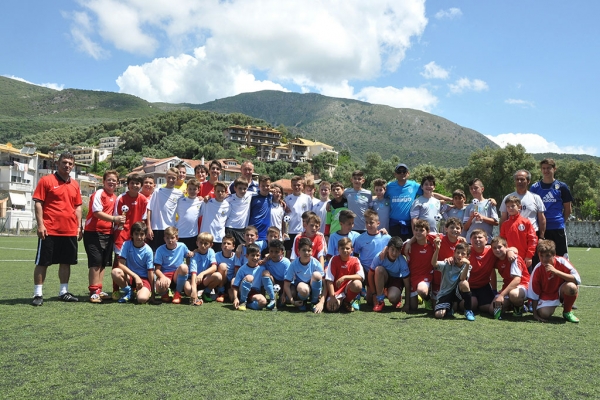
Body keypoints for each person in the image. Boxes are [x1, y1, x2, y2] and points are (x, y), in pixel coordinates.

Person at [31, 152, 83, 306]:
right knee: (43, 262)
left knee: (66, 262)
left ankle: (63, 292)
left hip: (69, 230)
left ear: (73, 166)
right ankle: (38, 294)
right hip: (50, 230)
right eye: (64, 162)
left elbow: (78, 206)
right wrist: (40, 225)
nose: (67, 165)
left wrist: (79, 226)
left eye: (70, 163)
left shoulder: (75, 184)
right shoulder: (46, 181)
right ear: (58, 164)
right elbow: (38, 203)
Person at [83, 170, 123, 303]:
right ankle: (93, 291)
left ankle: (99, 289)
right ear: (103, 182)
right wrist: (114, 219)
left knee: (102, 263)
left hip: (108, 233)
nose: (111, 182)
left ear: (117, 183)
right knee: (95, 262)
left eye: (114, 180)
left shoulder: (115, 197)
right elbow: (96, 212)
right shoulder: (99, 193)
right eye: (109, 180)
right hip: (93, 232)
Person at [112, 173, 148, 299]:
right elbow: (116, 217)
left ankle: (132, 288)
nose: (135, 185)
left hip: (136, 236)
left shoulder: (143, 199)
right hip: (122, 235)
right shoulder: (121, 198)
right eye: (132, 183)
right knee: (118, 262)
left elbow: (144, 219)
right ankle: (116, 289)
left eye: (137, 183)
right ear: (128, 185)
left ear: (141, 185)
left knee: (134, 262)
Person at [528, 240, 581, 323]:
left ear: (554, 254)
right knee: (544, 314)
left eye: (547, 256)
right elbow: (534, 294)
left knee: (572, 287)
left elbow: (577, 279)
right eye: (541, 256)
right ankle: (550, 306)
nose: (544, 259)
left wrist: (555, 271)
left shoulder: (562, 261)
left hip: (561, 291)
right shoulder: (537, 269)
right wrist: (535, 314)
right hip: (547, 295)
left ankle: (567, 311)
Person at [529, 158, 573, 258]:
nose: (546, 171)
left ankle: (562, 274)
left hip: (557, 227)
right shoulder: (535, 187)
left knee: (561, 257)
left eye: (548, 168)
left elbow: (568, 209)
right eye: (543, 168)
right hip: (540, 229)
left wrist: (560, 221)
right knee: (540, 257)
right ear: (541, 170)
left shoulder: (562, 187)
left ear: (554, 169)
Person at [499, 170, 546, 258]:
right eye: (517, 179)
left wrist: (541, 237)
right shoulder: (508, 197)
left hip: (531, 237)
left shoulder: (536, 198)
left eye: (522, 179)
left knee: (530, 263)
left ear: (528, 181)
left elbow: (542, 219)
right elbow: (503, 218)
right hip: (513, 236)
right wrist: (502, 239)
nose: (519, 182)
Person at [111, 221, 154, 304]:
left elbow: (150, 272)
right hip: (131, 277)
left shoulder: (148, 250)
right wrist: (135, 276)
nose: (139, 237)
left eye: (141, 234)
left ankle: (141, 292)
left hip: (144, 279)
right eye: (136, 234)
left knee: (141, 299)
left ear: (145, 236)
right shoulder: (126, 244)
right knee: (115, 272)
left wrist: (153, 292)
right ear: (132, 235)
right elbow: (120, 264)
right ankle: (129, 292)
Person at [431, 238, 474, 321]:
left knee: (464, 283)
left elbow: (462, 278)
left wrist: (467, 264)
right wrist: (437, 249)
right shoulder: (448, 263)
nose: (460, 255)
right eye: (457, 253)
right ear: (454, 253)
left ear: (468, 256)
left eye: (463, 253)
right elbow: (434, 263)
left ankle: (468, 310)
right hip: (445, 294)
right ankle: (450, 307)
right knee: (439, 315)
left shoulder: (467, 266)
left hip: (457, 293)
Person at [353, 209, 391, 304]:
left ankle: (384, 290)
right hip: (367, 271)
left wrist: (386, 248)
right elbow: (355, 255)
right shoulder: (360, 238)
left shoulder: (386, 237)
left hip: (381, 270)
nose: (369, 225)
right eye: (366, 222)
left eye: (371, 222)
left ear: (378, 223)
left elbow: (395, 245)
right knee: (369, 301)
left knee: (379, 270)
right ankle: (370, 290)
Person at [491, 236, 530, 319]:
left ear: (506, 247)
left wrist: (502, 295)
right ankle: (513, 304)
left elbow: (517, 280)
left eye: (500, 247)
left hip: (523, 285)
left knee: (514, 294)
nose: (497, 250)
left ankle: (519, 307)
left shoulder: (513, 258)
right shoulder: (496, 259)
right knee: (492, 309)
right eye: (494, 248)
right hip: (508, 286)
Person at [146, 167, 184, 252]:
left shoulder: (179, 194)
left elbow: (186, 207)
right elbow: (149, 209)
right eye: (169, 177)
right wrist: (149, 227)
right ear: (166, 177)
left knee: (168, 254)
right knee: (155, 254)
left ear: (177, 179)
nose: (171, 180)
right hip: (157, 228)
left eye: (173, 178)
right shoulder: (157, 191)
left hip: (171, 229)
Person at [284, 238, 326, 313]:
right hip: (301, 288)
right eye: (304, 250)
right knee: (303, 289)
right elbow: (286, 284)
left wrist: (321, 302)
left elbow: (325, 284)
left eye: (309, 250)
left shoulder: (316, 263)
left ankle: (314, 302)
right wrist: (292, 301)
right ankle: (302, 302)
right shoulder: (294, 264)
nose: (306, 253)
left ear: (312, 251)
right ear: (298, 251)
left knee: (317, 275)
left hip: (312, 287)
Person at [154, 226, 193, 303]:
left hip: (177, 274)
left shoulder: (182, 246)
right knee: (159, 286)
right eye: (167, 238)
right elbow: (157, 270)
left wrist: (191, 253)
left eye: (172, 238)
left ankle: (177, 293)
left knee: (184, 267)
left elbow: (189, 254)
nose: (170, 240)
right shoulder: (160, 250)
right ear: (164, 239)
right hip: (166, 275)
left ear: (177, 238)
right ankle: (165, 293)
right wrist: (162, 277)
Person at [371, 237, 411, 312]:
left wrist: (407, 304)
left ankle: (397, 297)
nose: (394, 253)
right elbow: (370, 275)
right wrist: (373, 295)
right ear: (387, 248)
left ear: (400, 251)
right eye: (392, 249)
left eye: (397, 251)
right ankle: (380, 301)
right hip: (384, 278)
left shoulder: (402, 261)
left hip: (396, 280)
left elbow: (407, 284)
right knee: (379, 269)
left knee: (393, 298)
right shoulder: (380, 256)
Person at [404, 219, 436, 311]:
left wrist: (461, 239)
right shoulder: (408, 245)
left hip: (426, 276)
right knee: (413, 308)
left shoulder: (432, 242)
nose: (418, 232)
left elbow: (447, 237)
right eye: (416, 230)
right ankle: (420, 296)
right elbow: (394, 246)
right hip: (412, 277)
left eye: (421, 230)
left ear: (428, 232)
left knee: (422, 290)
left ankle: (427, 298)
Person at [325, 238, 364, 312]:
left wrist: (345, 277)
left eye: (347, 248)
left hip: (347, 288)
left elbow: (361, 276)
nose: (345, 250)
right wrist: (332, 297)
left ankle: (347, 301)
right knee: (331, 309)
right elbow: (329, 280)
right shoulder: (334, 259)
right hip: (335, 291)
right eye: (342, 248)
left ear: (352, 250)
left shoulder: (355, 260)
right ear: (338, 249)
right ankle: (341, 301)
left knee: (358, 284)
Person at [385, 163, 422, 240]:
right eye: (399, 172)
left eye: (404, 171)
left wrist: (448, 199)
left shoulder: (414, 185)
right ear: (395, 174)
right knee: (395, 248)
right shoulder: (389, 186)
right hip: (394, 224)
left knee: (408, 248)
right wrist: (368, 199)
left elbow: (428, 193)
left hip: (409, 224)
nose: (402, 173)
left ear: (408, 173)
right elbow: (380, 196)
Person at [500, 196, 538, 270]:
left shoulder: (526, 222)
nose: (510, 208)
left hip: (525, 259)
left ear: (519, 207)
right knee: (511, 279)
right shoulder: (505, 224)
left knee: (526, 280)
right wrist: (506, 253)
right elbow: (502, 242)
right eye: (508, 206)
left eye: (513, 206)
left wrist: (529, 256)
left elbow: (532, 240)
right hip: (510, 257)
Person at [185, 232, 221, 305]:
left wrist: (202, 273)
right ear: (197, 243)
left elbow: (214, 267)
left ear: (211, 245)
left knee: (218, 276)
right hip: (193, 279)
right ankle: (196, 295)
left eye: (206, 243)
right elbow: (193, 274)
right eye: (201, 243)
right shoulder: (194, 255)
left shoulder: (211, 251)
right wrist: (194, 290)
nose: (203, 245)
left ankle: (206, 292)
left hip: (204, 279)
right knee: (188, 290)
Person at [231, 244, 269, 310]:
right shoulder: (242, 269)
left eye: (257, 255)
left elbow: (263, 286)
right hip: (243, 291)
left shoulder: (262, 268)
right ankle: (242, 301)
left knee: (263, 302)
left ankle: (249, 304)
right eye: (252, 255)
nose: (255, 258)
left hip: (254, 293)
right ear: (247, 256)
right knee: (249, 277)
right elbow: (235, 286)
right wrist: (235, 298)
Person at [284, 176, 313, 257]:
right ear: (291, 186)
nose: (296, 187)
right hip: (290, 231)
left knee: (304, 251)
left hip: (304, 231)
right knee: (289, 253)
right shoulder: (287, 199)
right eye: (294, 185)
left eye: (298, 185)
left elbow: (310, 214)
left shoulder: (307, 198)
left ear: (302, 186)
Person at [463, 178, 498, 243]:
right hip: (470, 241)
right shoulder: (468, 207)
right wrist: (471, 218)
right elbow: (465, 228)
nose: (473, 190)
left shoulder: (490, 203)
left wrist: (482, 218)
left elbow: (496, 222)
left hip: (486, 241)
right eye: (471, 188)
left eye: (476, 188)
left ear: (482, 189)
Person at [199, 181, 230, 253]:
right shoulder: (207, 202)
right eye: (218, 191)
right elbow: (198, 213)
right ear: (214, 192)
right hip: (206, 237)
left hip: (219, 238)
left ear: (225, 193)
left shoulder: (228, 205)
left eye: (222, 191)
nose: (220, 193)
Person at [175, 179, 203, 251]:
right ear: (186, 189)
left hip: (193, 235)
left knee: (191, 256)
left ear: (198, 190)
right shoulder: (180, 201)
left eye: (194, 189)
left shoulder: (201, 202)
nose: (192, 191)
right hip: (180, 234)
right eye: (190, 189)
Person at [262, 239, 291, 310]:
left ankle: (282, 296)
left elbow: (287, 280)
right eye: (271, 251)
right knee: (264, 273)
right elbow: (259, 266)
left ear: (282, 252)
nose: (273, 254)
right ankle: (272, 299)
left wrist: (284, 294)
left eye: (276, 252)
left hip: (285, 284)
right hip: (274, 282)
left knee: (287, 299)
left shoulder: (286, 262)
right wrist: (263, 260)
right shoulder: (268, 261)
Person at [224, 177, 252, 247]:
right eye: (240, 188)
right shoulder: (228, 198)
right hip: (229, 228)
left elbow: (263, 191)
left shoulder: (249, 195)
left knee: (241, 251)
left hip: (242, 229)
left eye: (244, 188)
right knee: (229, 251)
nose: (242, 191)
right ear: (235, 188)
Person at [248, 175, 273, 241]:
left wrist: (281, 201)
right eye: (263, 186)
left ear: (270, 186)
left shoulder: (271, 196)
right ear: (259, 186)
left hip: (266, 234)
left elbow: (279, 197)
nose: (265, 187)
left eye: (267, 186)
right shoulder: (252, 197)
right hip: (253, 232)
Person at [214, 234, 236, 303]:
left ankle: (228, 292)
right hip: (220, 280)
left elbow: (237, 271)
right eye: (224, 243)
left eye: (228, 244)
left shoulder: (236, 256)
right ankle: (221, 292)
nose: (225, 245)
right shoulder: (216, 255)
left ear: (233, 247)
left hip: (230, 281)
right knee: (223, 266)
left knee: (232, 298)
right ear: (221, 245)